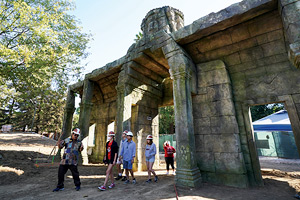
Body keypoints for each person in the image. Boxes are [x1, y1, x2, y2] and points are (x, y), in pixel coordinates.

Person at [53, 128, 83, 192]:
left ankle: (78, 185)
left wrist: (81, 148)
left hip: (73, 161)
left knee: (75, 174)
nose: (76, 136)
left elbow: (80, 150)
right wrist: (59, 143)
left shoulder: (79, 142)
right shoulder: (66, 140)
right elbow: (60, 147)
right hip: (64, 160)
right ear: (72, 134)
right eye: (75, 134)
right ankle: (60, 186)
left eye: (77, 135)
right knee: (60, 173)